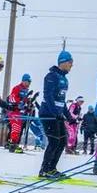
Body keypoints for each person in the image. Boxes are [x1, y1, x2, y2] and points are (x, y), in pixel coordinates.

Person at [38, 50, 73, 179]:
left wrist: (70, 118)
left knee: (62, 141)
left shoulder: (64, 79)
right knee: (54, 141)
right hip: (48, 113)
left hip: (57, 115)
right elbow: (48, 97)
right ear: (62, 62)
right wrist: (55, 113)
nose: (71, 65)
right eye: (70, 62)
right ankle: (44, 170)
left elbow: (62, 102)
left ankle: (52, 168)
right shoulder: (51, 76)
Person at [6, 73, 33, 152]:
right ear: (24, 81)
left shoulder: (26, 90)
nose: (29, 83)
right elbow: (12, 98)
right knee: (16, 127)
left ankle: (15, 144)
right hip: (13, 111)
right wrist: (19, 102)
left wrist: (28, 104)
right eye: (28, 82)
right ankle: (12, 145)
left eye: (30, 82)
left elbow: (25, 101)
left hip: (20, 112)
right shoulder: (17, 88)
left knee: (19, 128)